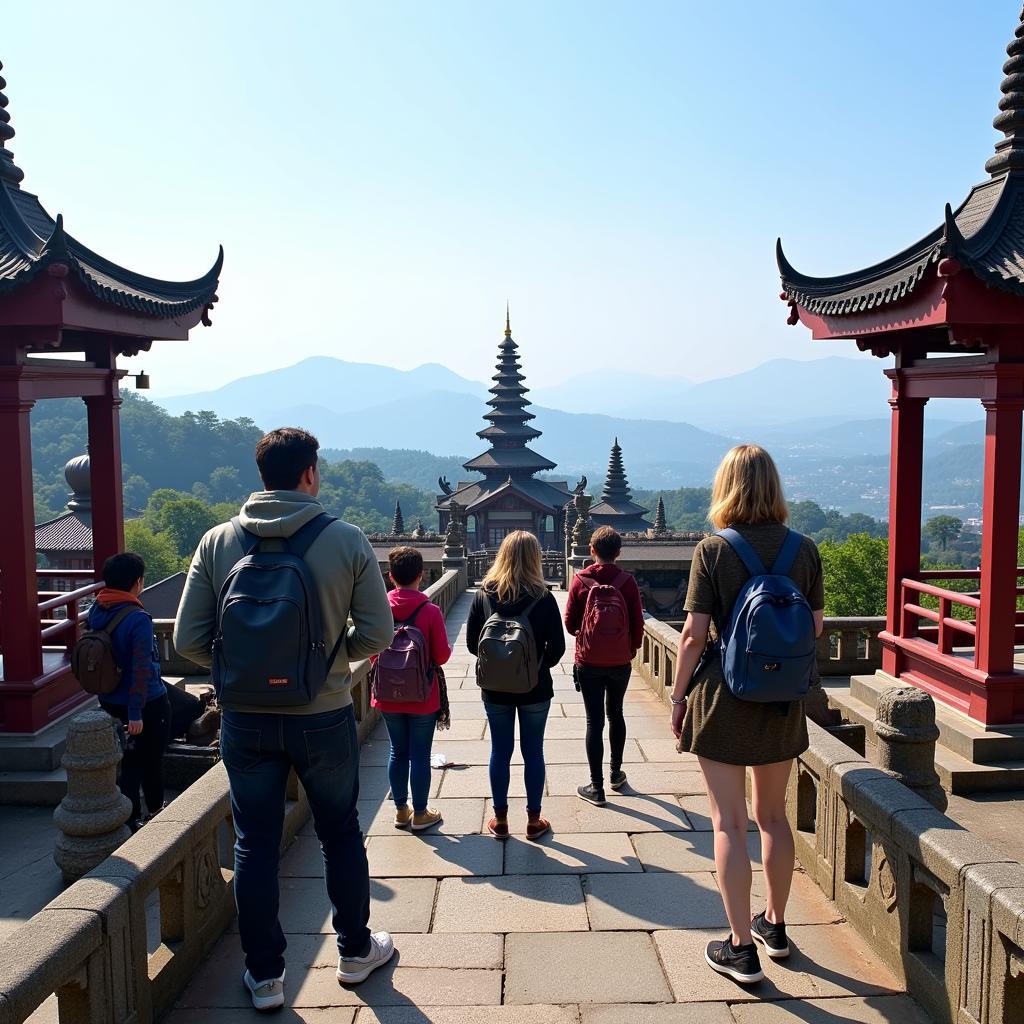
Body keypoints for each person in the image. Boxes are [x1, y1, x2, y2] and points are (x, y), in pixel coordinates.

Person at [174, 427, 396, 1011]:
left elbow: (188, 639)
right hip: (322, 714)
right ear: (310, 474)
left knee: (254, 843)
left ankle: (266, 976)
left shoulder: (218, 541)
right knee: (340, 832)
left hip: (244, 720)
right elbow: (378, 633)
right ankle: (354, 952)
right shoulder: (345, 540)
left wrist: (245, 668)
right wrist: (320, 662)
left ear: (261, 475)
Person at [669, 444, 824, 985]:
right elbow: (817, 627)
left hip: (723, 700)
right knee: (774, 818)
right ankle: (776, 926)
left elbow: (691, 635)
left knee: (729, 823)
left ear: (726, 486)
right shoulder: (803, 550)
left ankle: (740, 947)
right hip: (781, 702)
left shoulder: (713, 550)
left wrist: (678, 696)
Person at [467, 530, 565, 841]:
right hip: (535, 688)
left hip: (494, 690)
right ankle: (534, 821)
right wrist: (533, 667)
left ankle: (500, 820)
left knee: (500, 750)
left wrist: (501, 663)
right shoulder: (543, 597)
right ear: (535, 558)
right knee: (533, 751)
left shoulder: (483, 595)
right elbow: (558, 648)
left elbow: (472, 644)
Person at [371, 546, 452, 832]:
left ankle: (400, 811)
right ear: (421, 575)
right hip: (423, 695)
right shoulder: (429, 611)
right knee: (419, 754)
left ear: (391, 576)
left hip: (386, 694)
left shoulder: (379, 607)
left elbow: (372, 650)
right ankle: (420, 813)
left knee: (397, 752)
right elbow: (441, 657)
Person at [88, 551, 170, 830]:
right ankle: (154, 811)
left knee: (127, 761)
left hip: (109, 699)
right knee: (149, 761)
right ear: (137, 582)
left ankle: (130, 816)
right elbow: (141, 669)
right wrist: (136, 713)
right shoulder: (137, 618)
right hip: (143, 703)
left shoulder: (97, 610)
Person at [564, 526, 644, 806]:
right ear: (619, 552)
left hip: (589, 662)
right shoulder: (627, 582)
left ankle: (596, 788)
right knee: (616, 714)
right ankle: (615, 774)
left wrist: (589, 635)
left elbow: (570, 624)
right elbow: (637, 623)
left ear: (592, 551)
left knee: (593, 721)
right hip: (620, 661)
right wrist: (629, 648)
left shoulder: (580, 581)